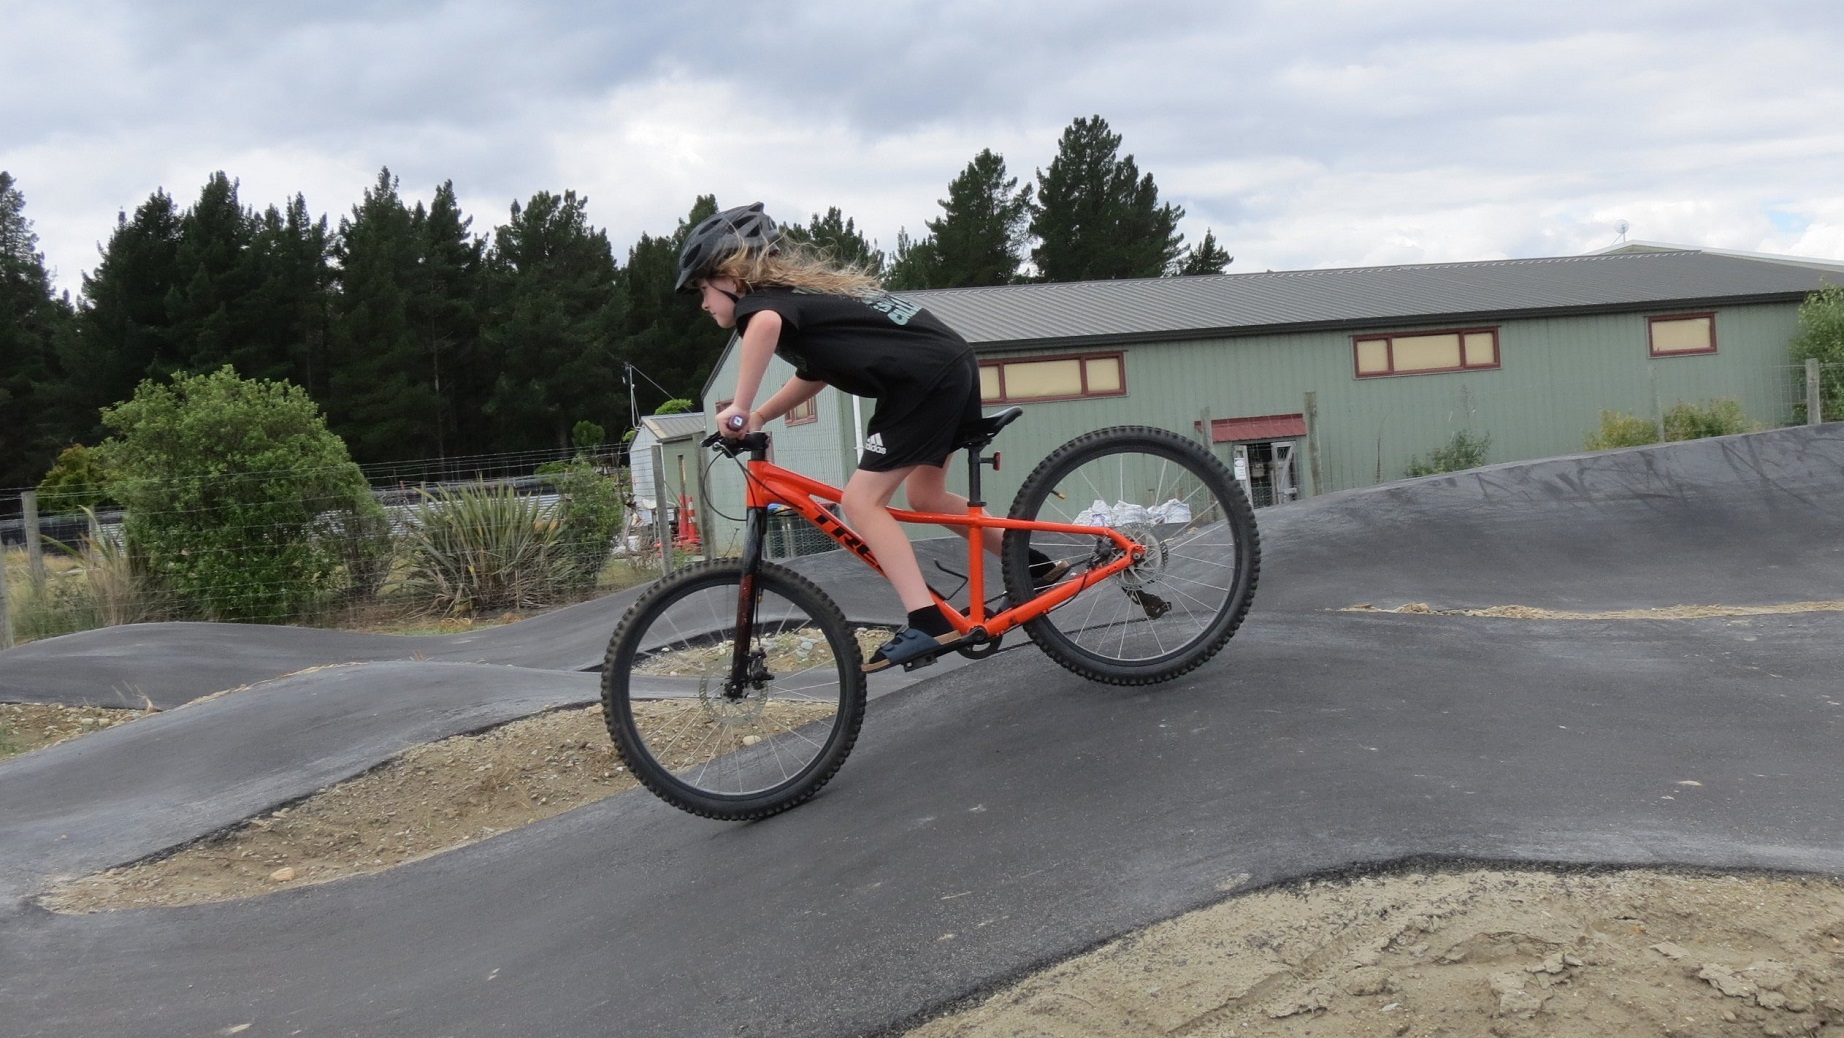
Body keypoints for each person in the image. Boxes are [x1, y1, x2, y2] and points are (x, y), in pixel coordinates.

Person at [678, 202, 1065, 672]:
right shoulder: (800, 301)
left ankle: (926, 621)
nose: (702, 303)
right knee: (926, 496)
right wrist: (759, 414)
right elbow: (815, 375)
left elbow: (763, 325)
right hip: (943, 366)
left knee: (861, 502)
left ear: (733, 279)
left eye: (703, 288)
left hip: (922, 379)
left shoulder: (764, 305)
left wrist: (738, 407)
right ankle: (1038, 567)